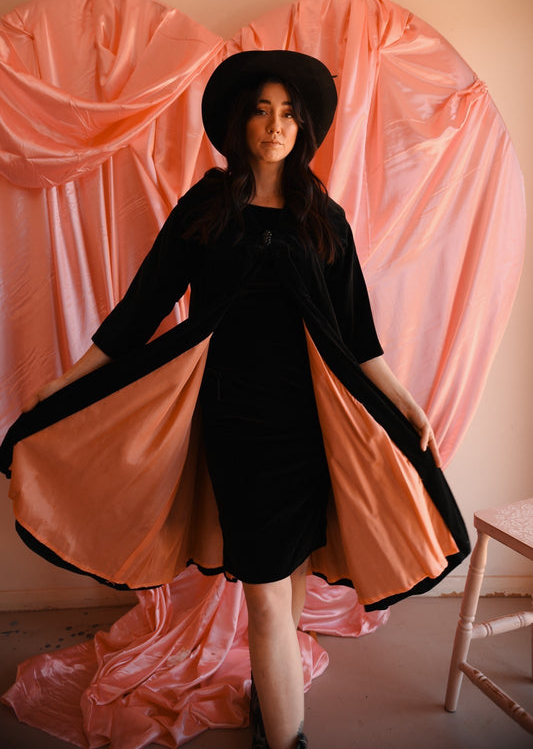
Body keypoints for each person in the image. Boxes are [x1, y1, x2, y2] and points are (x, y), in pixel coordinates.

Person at [3, 50, 469, 749]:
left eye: (287, 112)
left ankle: (271, 705)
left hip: (314, 429)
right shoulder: (206, 207)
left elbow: (358, 336)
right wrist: (62, 383)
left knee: (286, 590)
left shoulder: (323, 216)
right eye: (260, 110)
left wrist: (407, 405)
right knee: (264, 594)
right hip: (235, 424)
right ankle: (287, 740)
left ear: (304, 126)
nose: (274, 125)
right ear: (237, 122)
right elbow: (138, 313)